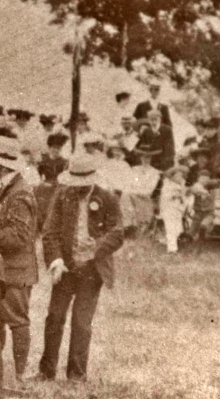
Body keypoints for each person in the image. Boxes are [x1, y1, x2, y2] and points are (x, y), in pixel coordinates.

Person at [38, 154, 124, 382]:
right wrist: (56, 261)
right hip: (65, 268)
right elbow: (50, 232)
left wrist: (95, 250)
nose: (78, 189)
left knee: (81, 322)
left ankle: (76, 376)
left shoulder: (107, 198)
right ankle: (46, 372)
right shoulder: (62, 195)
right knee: (54, 317)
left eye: (82, 185)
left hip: (91, 270)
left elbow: (117, 233)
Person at [0, 137, 38, 387]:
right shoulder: (8, 188)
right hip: (6, 269)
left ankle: (20, 378)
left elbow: (20, 236)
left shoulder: (20, 192)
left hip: (16, 271)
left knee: (17, 321)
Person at [159, 166, 189, 253]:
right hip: (169, 208)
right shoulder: (167, 185)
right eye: (178, 176)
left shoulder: (181, 186)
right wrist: (174, 196)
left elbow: (185, 198)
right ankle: (172, 249)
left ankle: (169, 241)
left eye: (181, 176)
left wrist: (182, 199)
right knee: (170, 228)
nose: (180, 177)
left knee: (178, 229)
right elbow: (164, 197)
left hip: (177, 210)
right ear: (172, 177)